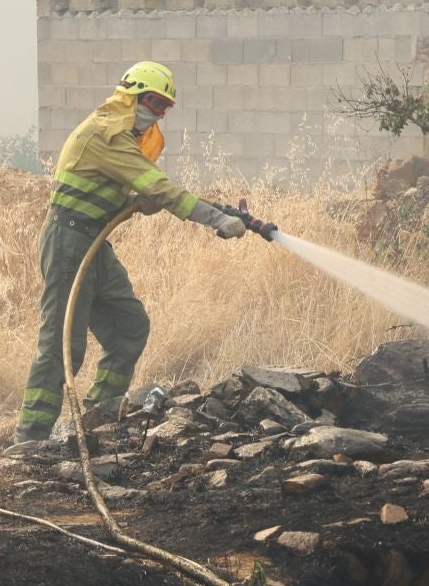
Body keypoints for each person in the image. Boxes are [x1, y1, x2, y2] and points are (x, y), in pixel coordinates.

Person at [13, 60, 251, 444]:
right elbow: (156, 185)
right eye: (154, 103)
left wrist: (212, 209)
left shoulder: (125, 137)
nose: (157, 114)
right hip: (68, 242)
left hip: (93, 244)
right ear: (132, 95)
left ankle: (99, 417)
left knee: (129, 329)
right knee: (63, 345)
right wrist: (212, 219)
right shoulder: (107, 133)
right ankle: (30, 439)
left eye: (164, 109)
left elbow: (148, 188)